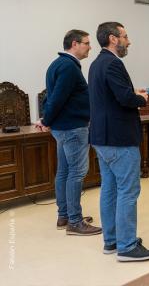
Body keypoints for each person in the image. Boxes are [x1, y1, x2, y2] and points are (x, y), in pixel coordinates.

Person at [88, 22, 149, 262]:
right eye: (125, 37)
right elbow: (124, 99)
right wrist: (140, 97)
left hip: (102, 137)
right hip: (119, 139)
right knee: (128, 191)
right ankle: (127, 247)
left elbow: (111, 97)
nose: (129, 41)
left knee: (109, 189)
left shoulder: (96, 63)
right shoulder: (113, 63)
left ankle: (112, 240)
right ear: (113, 39)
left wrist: (132, 94)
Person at [35, 29, 102, 235]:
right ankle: (75, 221)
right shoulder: (69, 67)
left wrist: (47, 120)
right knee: (76, 173)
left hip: (63, 128)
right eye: (87, 43)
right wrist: (46, 119)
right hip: (73, 128)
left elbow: (51, 98)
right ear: (75, 44)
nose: (90, 47)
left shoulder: (57, 64)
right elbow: (57, 99)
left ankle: (64, 215)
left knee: (64, 171)